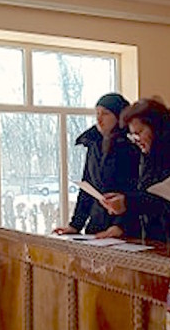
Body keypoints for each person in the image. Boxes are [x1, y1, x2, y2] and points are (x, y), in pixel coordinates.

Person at [102, 98, 170, 244]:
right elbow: (146, 193)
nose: (136, 140)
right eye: (132, 135)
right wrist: (122, 221)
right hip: (158, 238)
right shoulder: (149, 152)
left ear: (156, 127)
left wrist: (128, 202)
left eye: (139, 132)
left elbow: (169, 200)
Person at [53, 93, 140, 238]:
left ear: (119, 116)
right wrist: (75, 225)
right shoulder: (93, 144)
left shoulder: (132, 147)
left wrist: (120, 225)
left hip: (126, 228)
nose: (99, 119)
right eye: (97, 113)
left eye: (105, 114)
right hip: (97, 224)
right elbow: (87, 187)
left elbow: (135, 189)